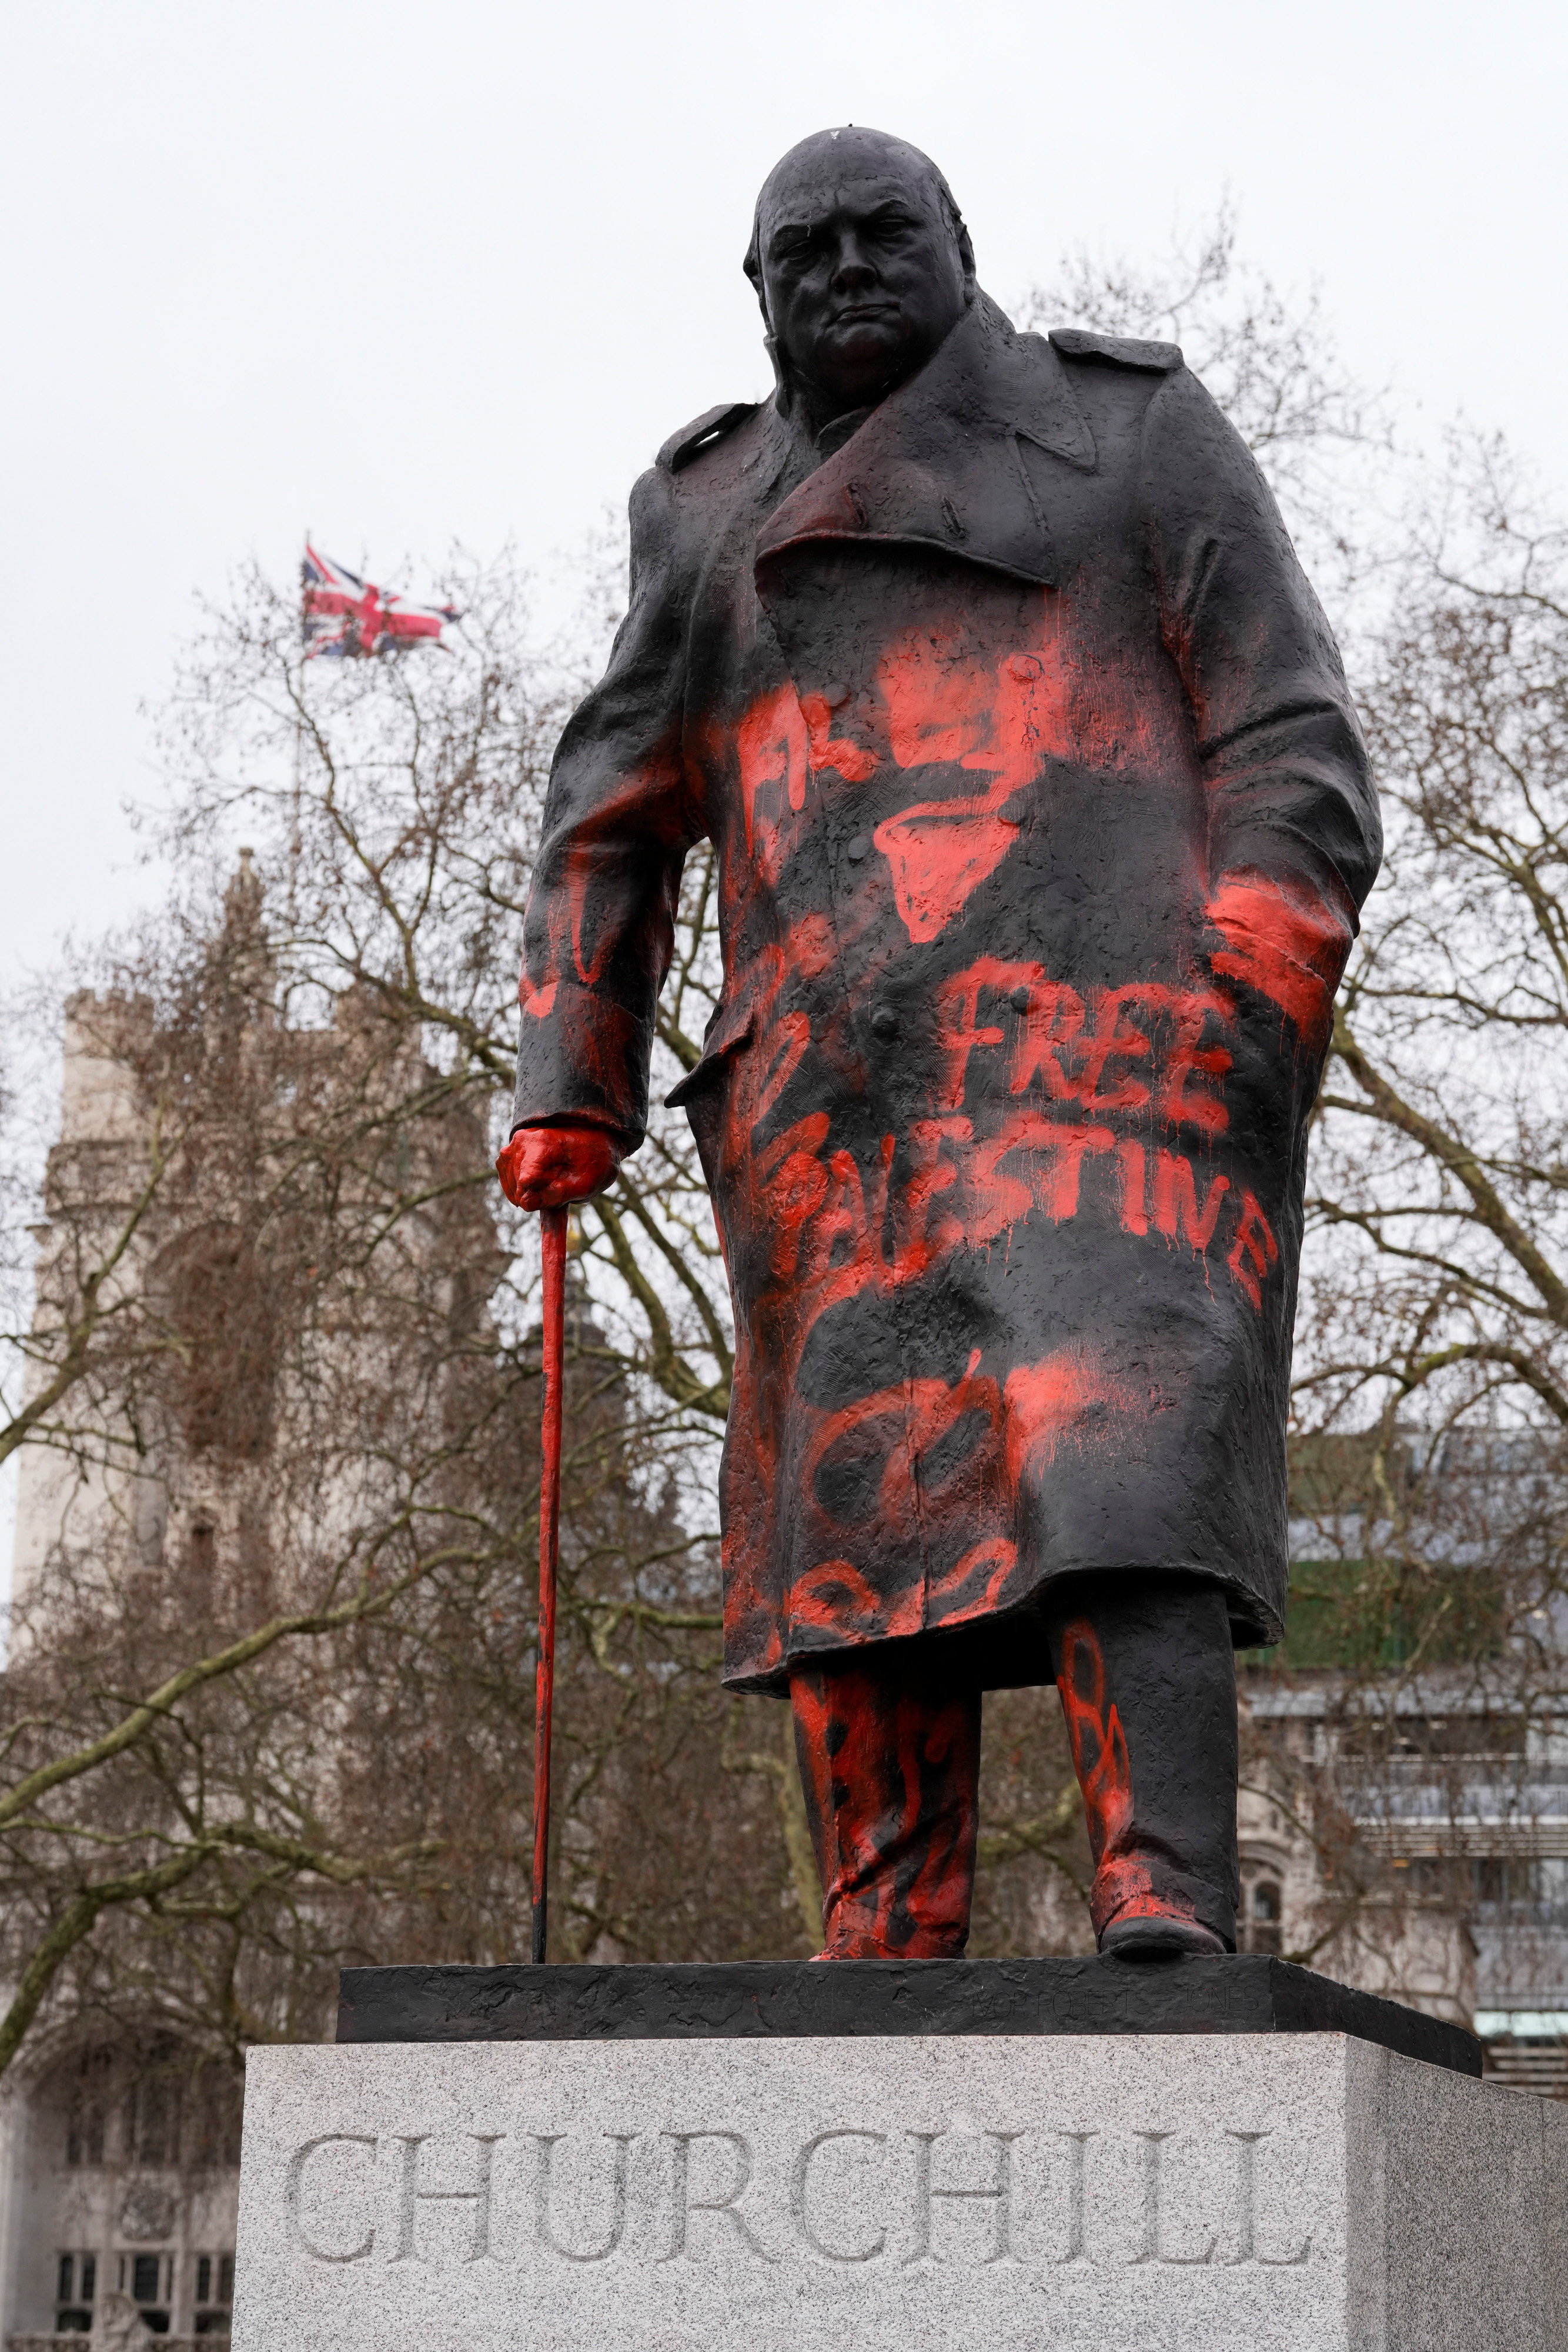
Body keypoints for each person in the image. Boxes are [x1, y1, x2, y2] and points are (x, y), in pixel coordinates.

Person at [499, 127, 1380, 1960]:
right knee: (857, 1508)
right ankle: (883, 1922)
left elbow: (1286, 725)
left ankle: (1161, 1886)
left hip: (1109, 1056)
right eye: (796, 250)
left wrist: (1251, 984)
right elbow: (612, 801)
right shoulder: (705, 511)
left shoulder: (1128, 430)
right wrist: (571, 1078)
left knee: (1112, 1440)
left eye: (879, 233)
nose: (841, 268)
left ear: (959, 246)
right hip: (828, 1098)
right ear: (753, 294)